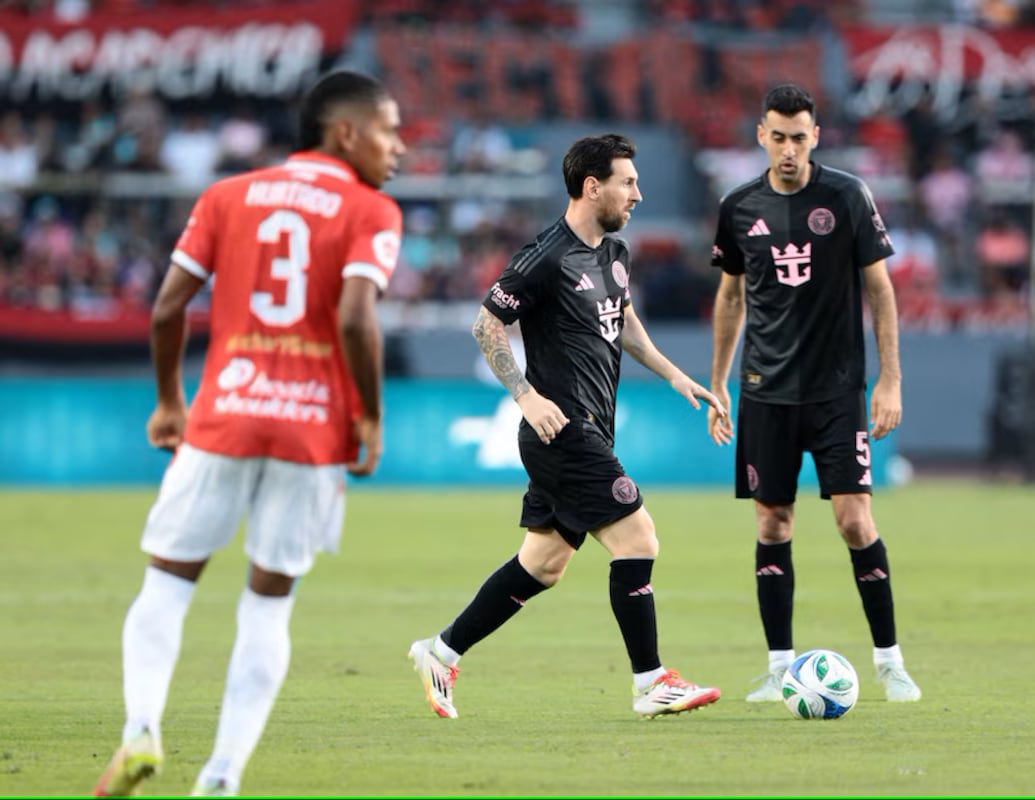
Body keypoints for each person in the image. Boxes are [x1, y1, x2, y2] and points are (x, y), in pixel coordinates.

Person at [93, 70, 405, 797]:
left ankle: (142, 729)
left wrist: (171, 401)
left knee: (167, 582)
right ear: (346, 132)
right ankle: (223, 776)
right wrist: (369, 416)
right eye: (390, 131)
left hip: (223, 414)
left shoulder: (226, 195)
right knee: (269, 601)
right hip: (310, 433)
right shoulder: (370, 210)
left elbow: (168, 309)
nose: (400, 149)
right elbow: (358, 319)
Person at [408, 133, 724, 720]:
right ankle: (651, 681)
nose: (638, 193)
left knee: (543, 564)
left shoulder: (615, 254)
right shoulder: (544, 256)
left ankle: (440, 650)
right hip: (561, 430)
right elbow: (485, 326)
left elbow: (624, 324)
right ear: (591, 186)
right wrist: (525, 396)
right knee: (638, 539)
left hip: (594, 429)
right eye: (628, 182)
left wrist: (677, 377)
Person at [706, 84, 922, 704]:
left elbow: (880, 290)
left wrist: (890, 378)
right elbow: (729, 297)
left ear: (816, 137)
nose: (789, 150)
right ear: (760, 135)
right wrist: (718, 380)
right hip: (765, 392)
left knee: (854, 520)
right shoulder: (739, 205)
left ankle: (890, 662)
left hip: (835, 391)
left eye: (800, 137)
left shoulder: (848, 196)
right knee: (773, 522)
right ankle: (779, 669)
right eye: (778, 136)